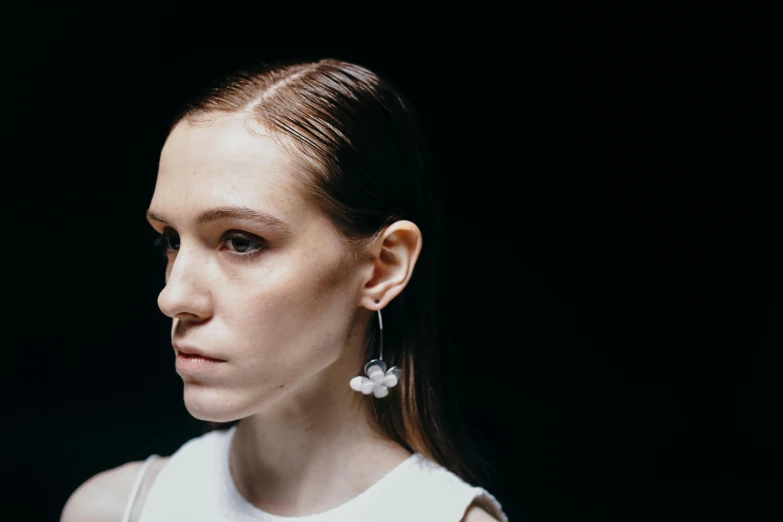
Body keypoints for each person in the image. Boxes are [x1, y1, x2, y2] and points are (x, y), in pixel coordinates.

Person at [60, 58, 508, 522]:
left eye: (241, 242)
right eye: (171, 240)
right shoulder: (110, 511)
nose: (173, 298)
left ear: (382, 268)